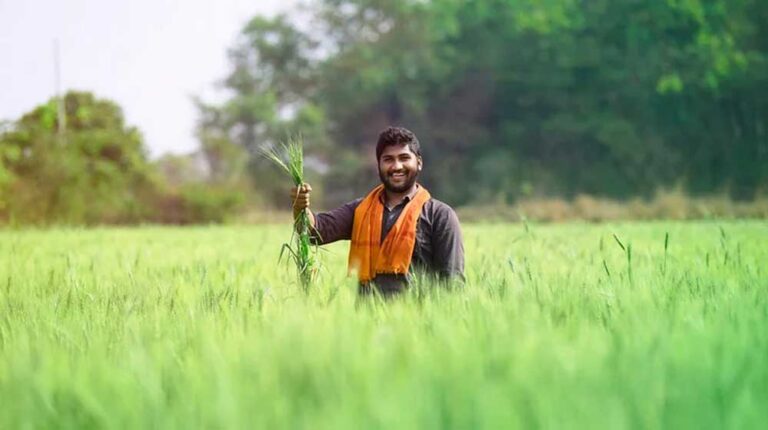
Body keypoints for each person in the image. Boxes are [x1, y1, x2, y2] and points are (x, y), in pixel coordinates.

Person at [290, 126, 464, 295]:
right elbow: (315, 231)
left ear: (418, 163)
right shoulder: (361, 209)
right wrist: (300, 207)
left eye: (404, 158)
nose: (397, 166)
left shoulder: (440, 215)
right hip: (368, 322)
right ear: (379, 165)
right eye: (388, 159)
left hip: (417, 322)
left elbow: (452, 283)